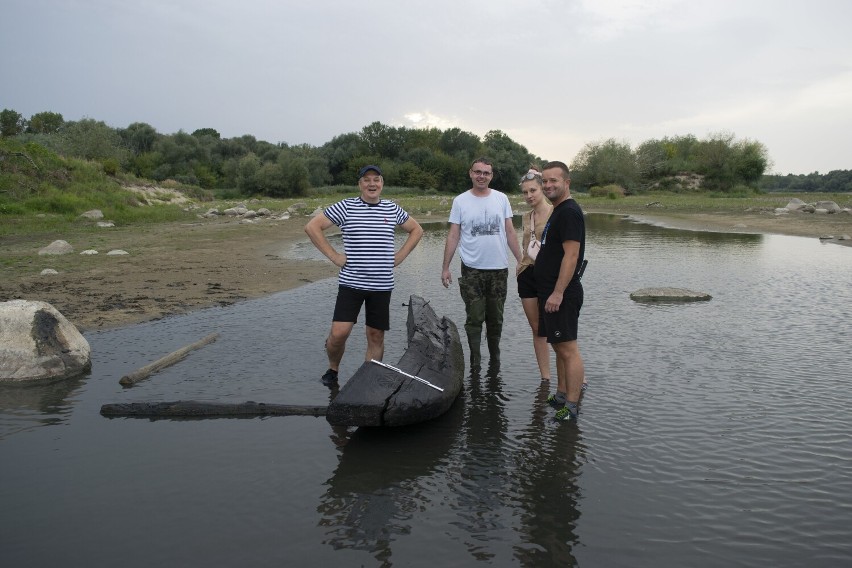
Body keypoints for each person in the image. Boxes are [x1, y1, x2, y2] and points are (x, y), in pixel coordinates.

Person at [305, 165, 423, 386]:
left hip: (381, 285)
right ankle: (333, 369)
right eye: (367, 180)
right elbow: (312, 227)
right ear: (360, 184)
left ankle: (368, 380)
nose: (372, 184)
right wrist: (333, 256)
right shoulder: (346, 207)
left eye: (376, 180)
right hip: (351, 283)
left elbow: (417, 230)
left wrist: (401, 256)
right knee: (339, 334)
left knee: (376, 334)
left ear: (382, 183)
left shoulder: (392, 209)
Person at [441, 157, 523, 370]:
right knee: (475, 317)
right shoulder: (460, 201)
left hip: (498, 269)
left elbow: (510, 231)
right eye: (478, 172)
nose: (481, 176)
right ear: (471, 173)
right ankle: (475, 361)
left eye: (486, 173)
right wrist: (445, 267)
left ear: (491, 176)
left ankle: (495, 359)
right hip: (472, 269)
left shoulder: (501, 199)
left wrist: (521, 261)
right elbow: (453, 235)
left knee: (496, 318)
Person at [534, 160, 586, 421]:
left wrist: (557, 293)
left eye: (554, 180)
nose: (548, 185)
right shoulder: (558, 209)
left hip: (561, 294)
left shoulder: (568, 212)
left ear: (567, 183)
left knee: (568, 349)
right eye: (545, 181)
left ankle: (572, 407)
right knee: (558, 346)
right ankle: (562, 394)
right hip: (551, 293)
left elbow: (572, 255)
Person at [515, 167, 553, 382]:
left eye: (533, 190)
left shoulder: (556, 212)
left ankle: (576, 376)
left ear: (542, 189)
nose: (529, 196)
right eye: (525, 192)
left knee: (558, 329)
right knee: (537, 329)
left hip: (549, 276)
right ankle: (545, 378)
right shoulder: (525, 216)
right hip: (527, 274)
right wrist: (520, 265)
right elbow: (525, 245)